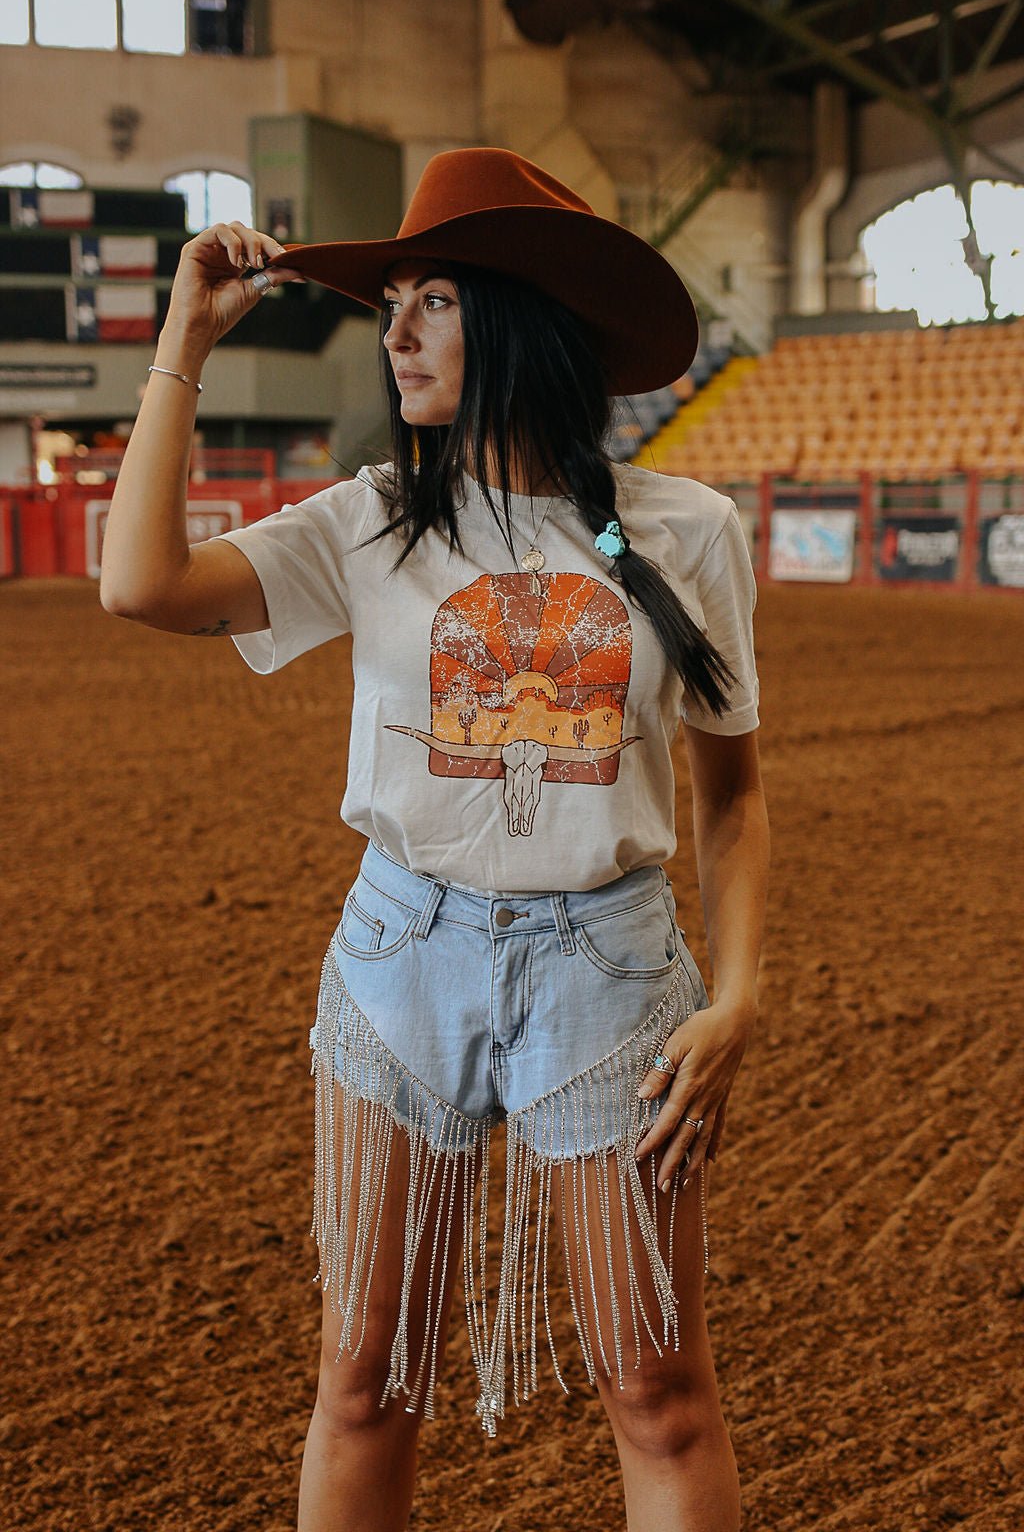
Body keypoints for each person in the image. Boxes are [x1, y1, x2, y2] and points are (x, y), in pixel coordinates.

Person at [100, 147, 770, 1532]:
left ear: (522, 317)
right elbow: (141, 583)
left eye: (434, 301)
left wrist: (744, 993)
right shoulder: (369, 525)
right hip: (402, 959)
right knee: (364, 1377)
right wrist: (183, 339)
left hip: (614, 978)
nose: (395, 333)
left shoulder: (687, 531)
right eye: (389, 301)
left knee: (660, 1392)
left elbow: (733, 792)